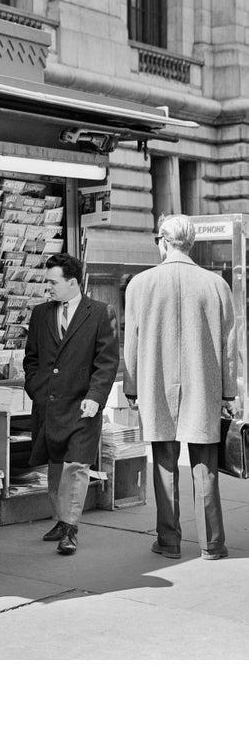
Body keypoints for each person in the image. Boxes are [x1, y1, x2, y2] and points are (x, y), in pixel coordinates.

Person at [124, 214, 238, 561]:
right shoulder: (216, 285)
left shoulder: (139, 284)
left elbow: (132, 343)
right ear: (191, 243)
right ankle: (212, 544)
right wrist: (229, 393)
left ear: (162, 241)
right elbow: (229, 344)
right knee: (205, 464)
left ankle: (169, 541)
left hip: (156, 383)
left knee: (164, 463)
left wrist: (131, 388)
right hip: (203, 384)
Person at [24, 253, 118, 555]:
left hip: (83, 405)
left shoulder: (101, 313)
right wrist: (35, 388)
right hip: (49, 403)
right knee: (55, 464)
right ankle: (61, 520)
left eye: (53, 282)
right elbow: (32, 359)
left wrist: (95, 397)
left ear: (73, 282)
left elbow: (107, 362)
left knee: (76, 465)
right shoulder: (40, 314)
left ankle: (71, 527)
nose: (47, 287)